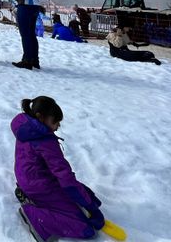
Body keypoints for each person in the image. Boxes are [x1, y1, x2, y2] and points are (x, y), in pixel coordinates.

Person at [12, 96, 105, 241]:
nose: (58, 126)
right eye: (55, 122)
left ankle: (30, 195)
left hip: (29, 178)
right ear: (40, 117)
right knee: (85, 228)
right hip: (40, 185)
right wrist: (90, 207)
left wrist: (87, 201)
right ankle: (31, 214)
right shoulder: (45, 142)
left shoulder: (27, 129)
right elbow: (65, 178)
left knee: (86, 194)